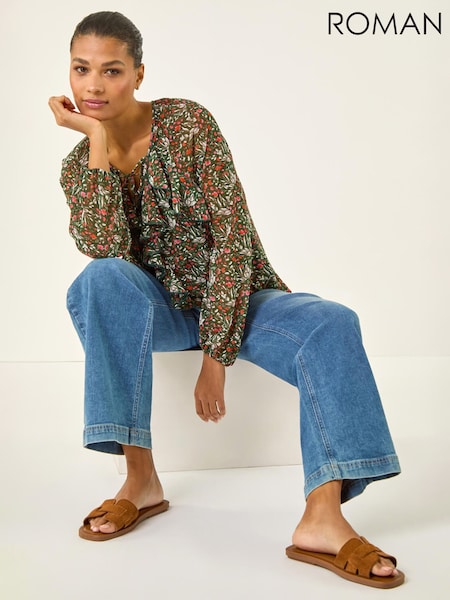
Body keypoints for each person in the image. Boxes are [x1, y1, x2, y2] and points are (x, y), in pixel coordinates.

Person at [48, 11, 404, 589]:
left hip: (240, 298)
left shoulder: (188, 124)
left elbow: (232, 237)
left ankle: (323, 516)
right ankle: (140, 479)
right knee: (99, 279)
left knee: (332, 321)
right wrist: (96, 139)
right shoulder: (79, 166)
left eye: (111, 70)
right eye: (81, 69)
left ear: (138, 74)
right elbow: (105, 249)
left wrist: (216, 355)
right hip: (156, 312)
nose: (93, 85)